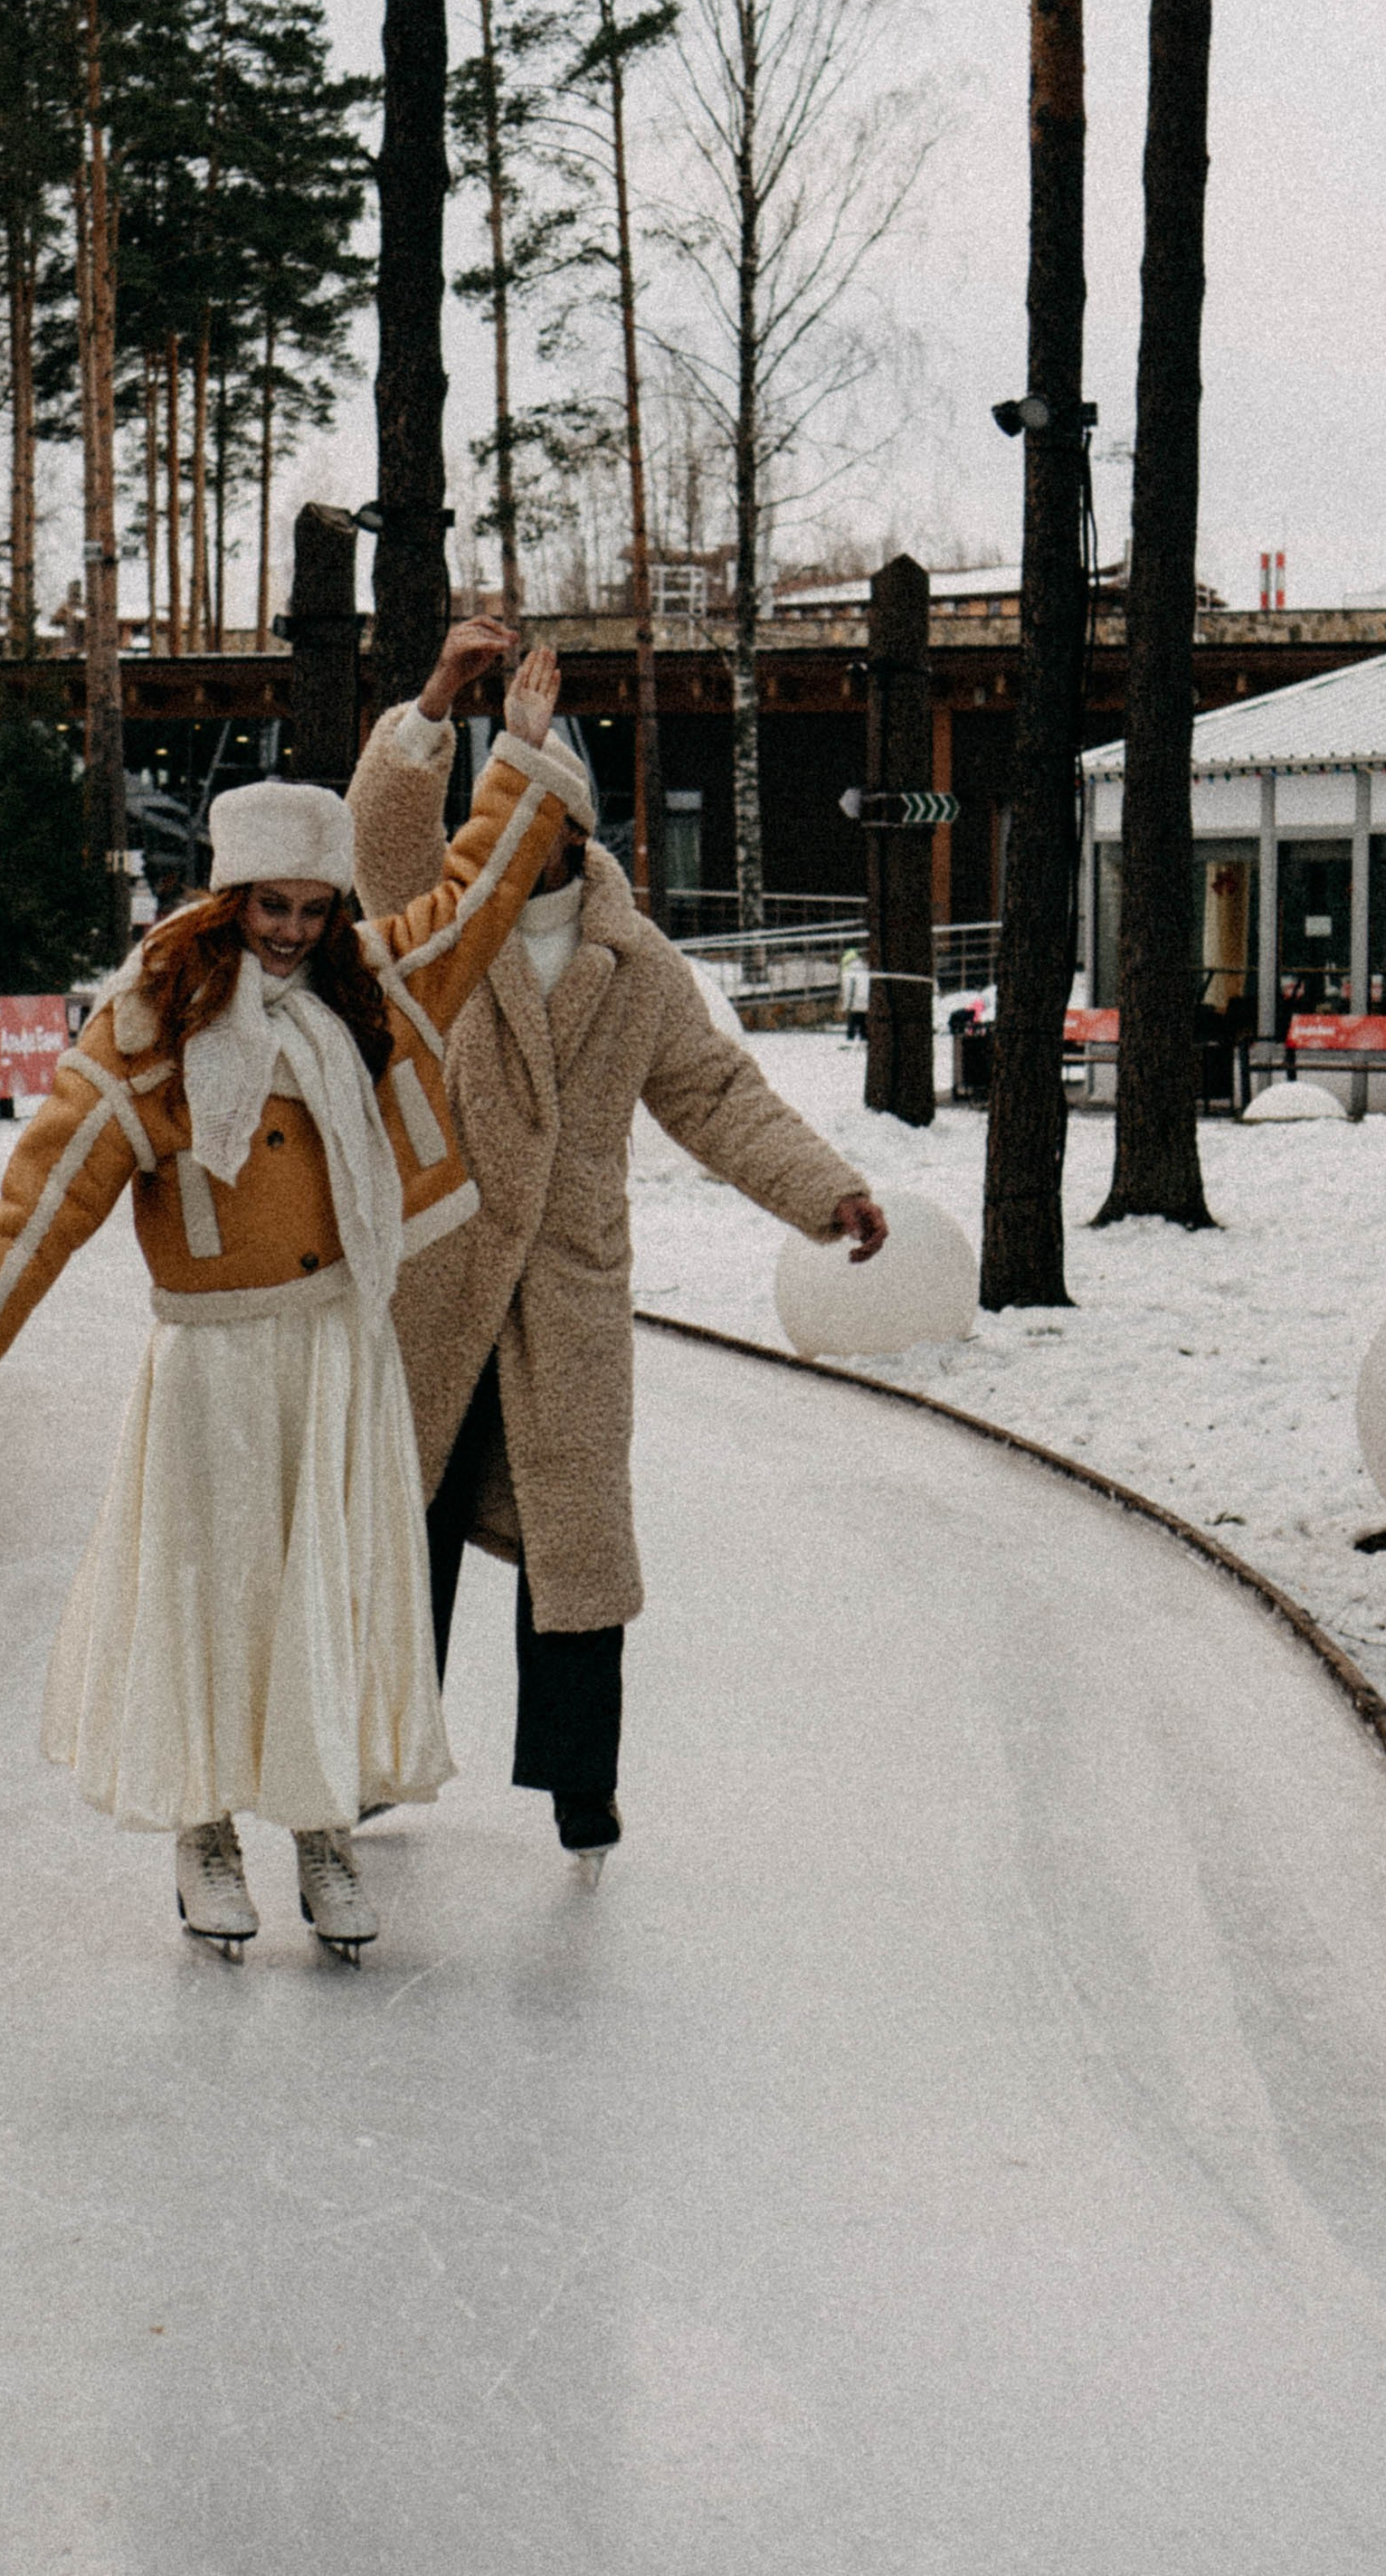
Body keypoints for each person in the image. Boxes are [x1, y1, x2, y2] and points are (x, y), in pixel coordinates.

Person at [0, 635, 592, 1965]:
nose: (290, 932)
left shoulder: (368, 1000)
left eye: (312, 909)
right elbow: (45, 1188)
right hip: (216, 1363)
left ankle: (322, 1827)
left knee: (327, 1594)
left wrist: (478, 731)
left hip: (339, 1351)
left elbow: (474, 893)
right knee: (220, 1595)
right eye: (268, 907)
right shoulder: (151, 1026)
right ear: (226, 900)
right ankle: (206, 1829)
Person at [349, 651, 888, 1879]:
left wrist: (827, 1193)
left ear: (575, 826)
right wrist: (436, 706)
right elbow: (383, 829)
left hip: (565, 1284)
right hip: (435, 1278)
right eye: (505, 804)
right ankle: (374, 1767)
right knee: (402, 1524)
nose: (517, 833)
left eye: (540, 809)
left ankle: (581, 1786)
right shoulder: (436, 919)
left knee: (578, 1543)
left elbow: (716, 1094)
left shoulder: (637, 963)